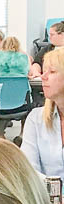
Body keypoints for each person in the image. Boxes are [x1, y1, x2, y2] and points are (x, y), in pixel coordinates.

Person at [22, 48, 64, 179]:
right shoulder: (35, 119)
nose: (43, 76)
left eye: (52, 71)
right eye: (44, 71)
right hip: (47, 196)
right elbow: (29, 169)